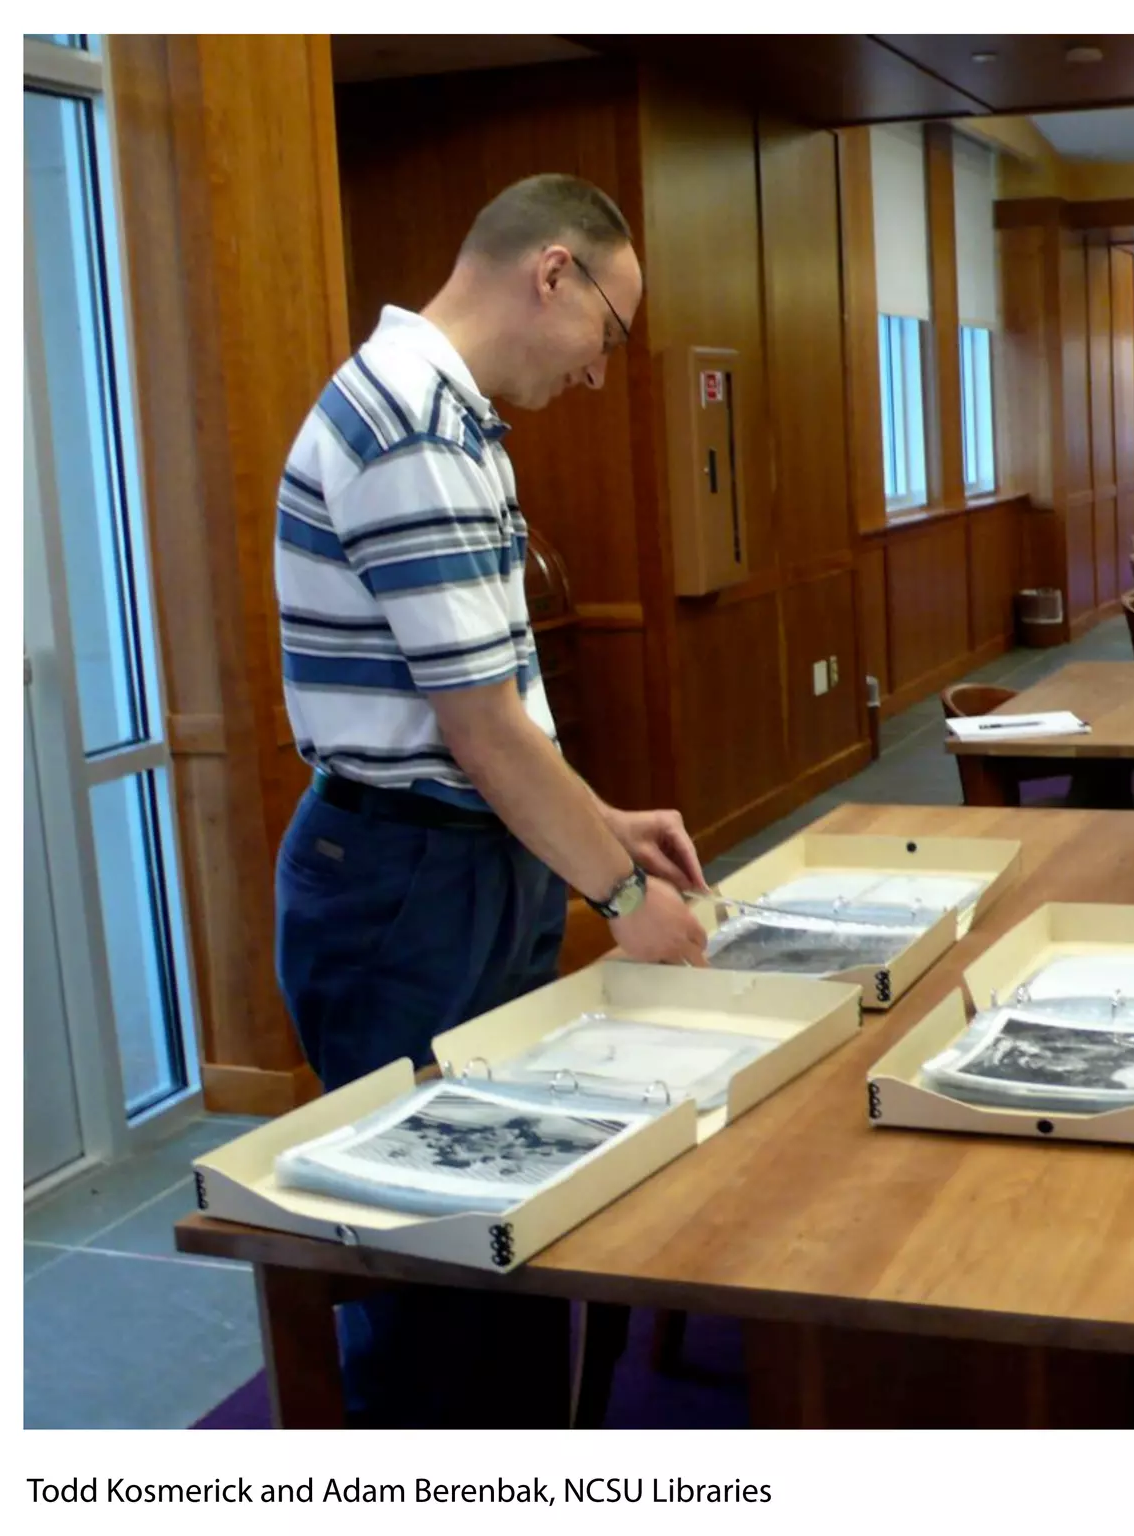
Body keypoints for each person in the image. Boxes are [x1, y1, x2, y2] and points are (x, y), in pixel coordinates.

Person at [272, 173, 709, 1425]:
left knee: (506, 1225)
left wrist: (599, 824)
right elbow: (474, 728)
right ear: (551, 272)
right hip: (409, 881)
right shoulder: (412, 422)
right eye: (609, 336)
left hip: (458, 857)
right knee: (438, 1261)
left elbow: (488, 705)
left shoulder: (448, 418)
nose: (598, 372)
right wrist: (619, 890)